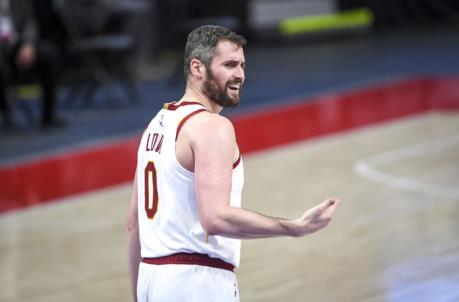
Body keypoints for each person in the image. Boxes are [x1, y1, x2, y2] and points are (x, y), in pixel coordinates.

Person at [127, 24, 342, 302]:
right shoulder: (212, 126)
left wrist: (138, 294)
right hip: (196, 282)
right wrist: (293, 227)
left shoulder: (157, 124)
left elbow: (134, 224)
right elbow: (215, 217)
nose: (240, 74)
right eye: (229, 64)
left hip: (151, 278)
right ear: (197, 68)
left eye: (242, 65)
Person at [0, 0, 64, 128]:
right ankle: (7, 114)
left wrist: (28, 44)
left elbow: (30, 21)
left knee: (50, 54)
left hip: (16, 43)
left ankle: (47, 115)